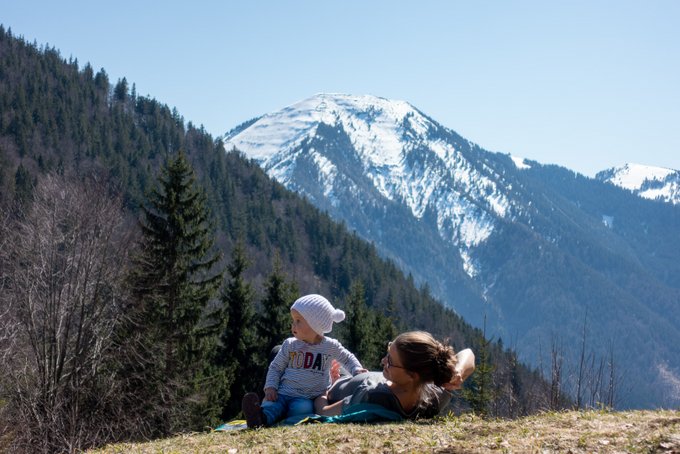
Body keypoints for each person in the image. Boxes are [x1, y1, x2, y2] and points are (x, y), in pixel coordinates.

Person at [241, 294, 367, 428]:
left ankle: (283, 419)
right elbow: (276, 367)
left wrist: (357, 369)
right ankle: (260, 418)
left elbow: (347, 358)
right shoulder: (290, 345)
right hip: (283, 392)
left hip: (306, 398)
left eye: (298, 321)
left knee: (303, 409)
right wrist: (271, 386)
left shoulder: (330, 346)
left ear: (315, 324)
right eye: (293, 321)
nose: (293, 325)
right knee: (272, 405)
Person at [314, 331, 475, 419]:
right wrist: (458, 371)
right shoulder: (432, 396)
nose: (383, 360)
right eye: (388, 352)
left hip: (337, 382)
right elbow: (468, 353)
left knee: (315, 348)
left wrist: (323, 386)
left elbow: (323, 411)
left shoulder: (373, 395)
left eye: (390, 360)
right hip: (357, 375)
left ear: (412, 375)